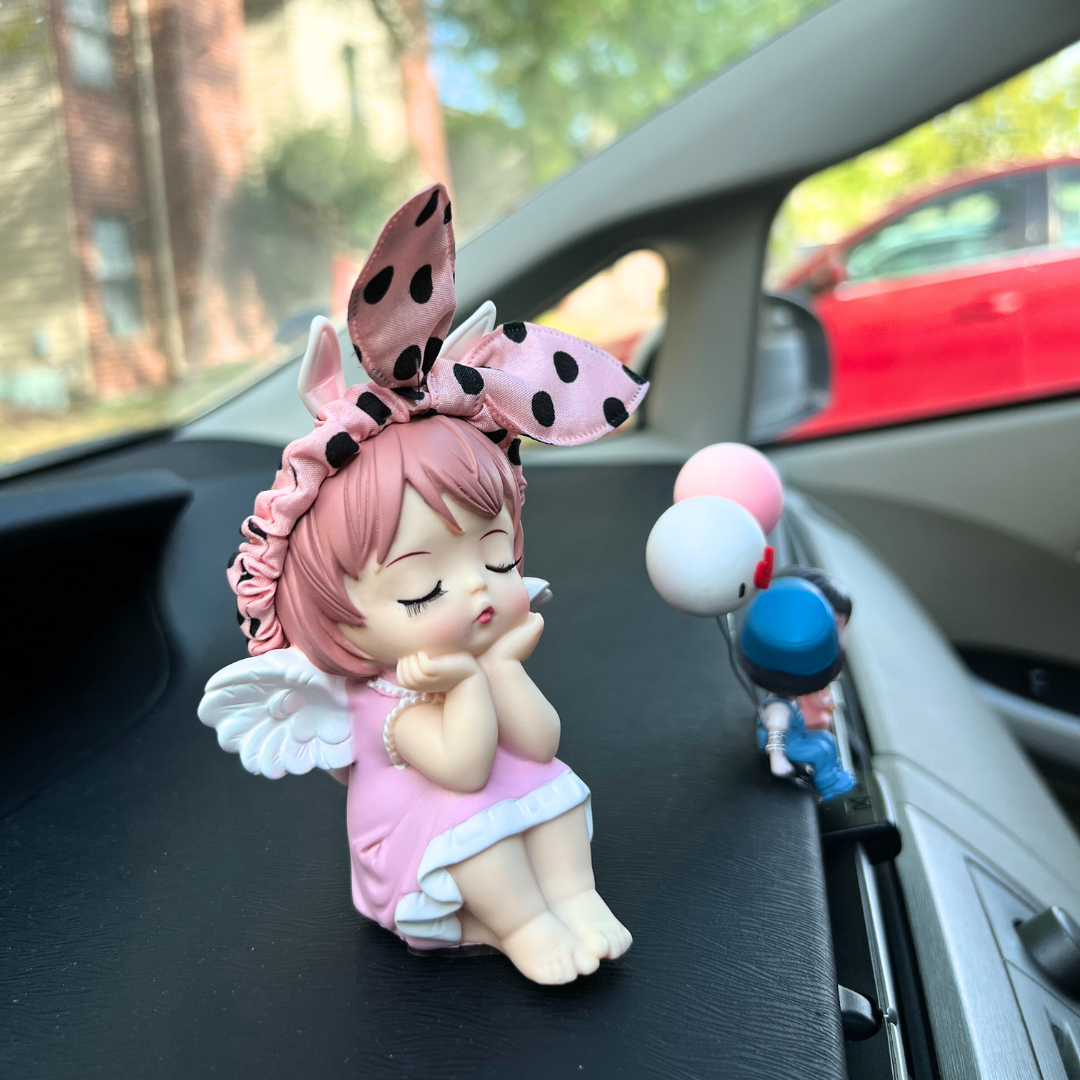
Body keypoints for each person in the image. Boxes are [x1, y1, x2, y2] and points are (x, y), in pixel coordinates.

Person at [198, 183, 646, 984]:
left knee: (560, 792)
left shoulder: (474, 656)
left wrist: (501, 667)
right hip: (418, 842)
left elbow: (537, 741)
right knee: (481, 827)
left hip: (491, 783)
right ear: (338, 622)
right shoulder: (384, 701)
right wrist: (471, 682)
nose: (480, 593)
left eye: (499, 559)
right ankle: (524, 924)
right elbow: (465, 768)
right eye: (417, 593)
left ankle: (574, 898)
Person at [737, 578, 856, 801]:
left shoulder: (787, 700)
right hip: (786, 742)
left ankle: (834, 776)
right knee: (820, 750)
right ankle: (829, 785)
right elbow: (775, 736)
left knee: (827, 741)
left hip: (797, 734)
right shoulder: (778, 708)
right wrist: (778, 760)